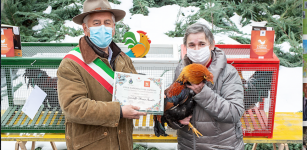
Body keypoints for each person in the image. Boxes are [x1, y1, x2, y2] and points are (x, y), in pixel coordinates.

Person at [57, 0, 146, 149]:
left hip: (122, 143)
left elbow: (135, 92)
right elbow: (73, 107)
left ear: (113, 28)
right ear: (86, 29)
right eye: (96, 23)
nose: (103, 27)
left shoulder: (123, 59)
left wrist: (154, 96)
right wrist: (118, 111)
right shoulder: (71, 64)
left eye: (107, 22)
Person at [167, 23, 245, 150]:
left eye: (202, 44)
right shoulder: (181, 71)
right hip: (189, 145)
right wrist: (176, 120)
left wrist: (202, 92)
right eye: (192, 45)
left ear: (212, 45)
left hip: (222, 146)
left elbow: (234, 112)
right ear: (186, 47)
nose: (197, 49)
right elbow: (172, 104)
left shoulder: (228, 73)